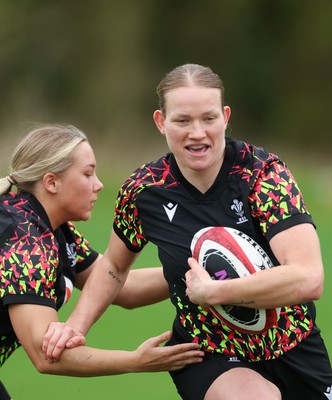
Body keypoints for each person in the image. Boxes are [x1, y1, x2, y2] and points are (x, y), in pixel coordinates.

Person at [43, 64, 332, 400]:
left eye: (208, 118)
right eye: (182, 120)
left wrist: (216, 293)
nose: (197, 133)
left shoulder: (264, 177)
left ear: (225, 117)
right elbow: (113, 268)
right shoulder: (144, 191)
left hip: (293, 344)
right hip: (208, 351)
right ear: (161, 122)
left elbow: (309, 279)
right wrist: (74, 328)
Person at [0, 124, 205, 399]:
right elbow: (44, 354)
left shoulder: (54, 231)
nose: (99, 184)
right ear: (51, 182)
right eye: (87, 174)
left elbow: (120, 284)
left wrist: (199, 268)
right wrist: (136, 361)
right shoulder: (27, 240)